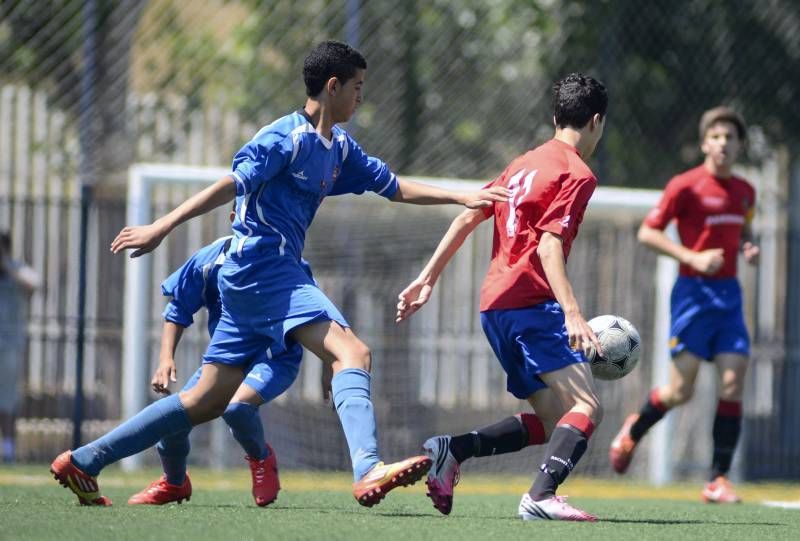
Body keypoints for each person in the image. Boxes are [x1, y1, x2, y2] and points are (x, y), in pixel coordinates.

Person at [50, 40, 508, 507]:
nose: (361, 97)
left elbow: (392, 186)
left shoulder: (339, 148)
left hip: (253, 281)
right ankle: (369, 468)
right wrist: (162, 226)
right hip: (263, 269)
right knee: (353, 352)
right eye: (357, 87)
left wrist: (460, 197)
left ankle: (85, 459)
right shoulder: (283, 138)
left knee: (203, 402)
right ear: (333, 87)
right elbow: (231, 183)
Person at [396, 73, 607, 521]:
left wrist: (427, 277)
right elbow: (549, 246)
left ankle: (451, 451)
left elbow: (469, 216)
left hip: (495, 308)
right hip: (532, 304)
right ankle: (540, 496)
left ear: (555, 118)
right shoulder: (577, 173)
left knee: (554, 420)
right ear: (596, 122)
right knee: (588, 406)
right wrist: (572, 312)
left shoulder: (523, 163)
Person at [609, 106, 758, 503]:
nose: (724, 143)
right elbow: (647, 232)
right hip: (692, 294)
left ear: (740, 145)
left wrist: (748, 245)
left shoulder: (746, 191)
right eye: (717, 136)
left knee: (733, 379)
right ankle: (634, 429)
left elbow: (745, 227)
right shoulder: (685, 185)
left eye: (731, 137)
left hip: (728, 296)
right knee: (681, 390)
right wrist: (691, 257)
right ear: (705, 142)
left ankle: (717, 479)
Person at [127, 205, 306, 507]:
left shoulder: (288, 262)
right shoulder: (209, 259)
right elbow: (179, 307)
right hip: (227, 359)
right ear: (234, 219)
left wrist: (331, 364)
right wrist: (165, 359)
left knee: (237, 409)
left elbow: (316, 316)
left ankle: (261, 460)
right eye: (245, 216)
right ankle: (174, 483)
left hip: (272, 357)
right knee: (172, 423)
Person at [0, 232, 40, 463]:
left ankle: (8, 448)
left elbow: (33, 285)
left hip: (9, 345)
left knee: (7, 398)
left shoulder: (16, 269)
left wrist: (6, 263)